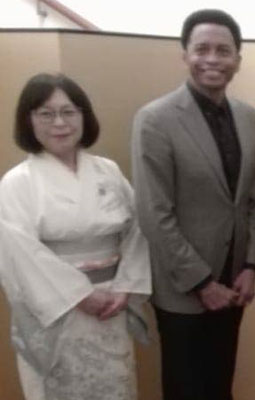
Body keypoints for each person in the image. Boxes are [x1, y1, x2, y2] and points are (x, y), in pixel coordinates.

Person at [131, 9, 255, 400]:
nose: (213, 59)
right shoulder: (154, 119)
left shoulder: (247, 116)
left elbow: (254, 199)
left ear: (238, 60)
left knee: (220, 384)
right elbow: (154, 214)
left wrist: (252, 266)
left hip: (234, 282)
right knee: (186, 389)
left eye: (223, 51)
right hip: (183, 289)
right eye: (202, 49)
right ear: (184, 54)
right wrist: (202, 282)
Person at [0, 73, 151, 400]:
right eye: (46, 113)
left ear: (84, 116)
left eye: (69, 112)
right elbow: (18, 255)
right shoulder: (17, 183)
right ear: (29, 120)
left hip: (112, 302)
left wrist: (126, 286)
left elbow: (138, 230)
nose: (59, 123)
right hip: (58, 312)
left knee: (116, 387)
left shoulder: (107, 172)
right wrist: (79, 295)